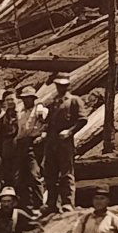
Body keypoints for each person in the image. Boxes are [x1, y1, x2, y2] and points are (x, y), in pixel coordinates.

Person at [43, 74, 87, 213]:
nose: (60, 88)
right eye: (58, 85)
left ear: (68, 85)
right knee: (50, 174)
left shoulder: (74, 101)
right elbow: (49, 122)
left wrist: (69, 132)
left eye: (63, 85)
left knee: (66, 173)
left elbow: (82, 120)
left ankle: (68, 202)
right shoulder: (54, 102)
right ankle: (52, 203)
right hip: (51, 142)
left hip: (65, 143)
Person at [13, 86, 48, 212]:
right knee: (20, 176)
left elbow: (47, 123)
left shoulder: (39, 109)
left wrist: (43, 135)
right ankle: (25, 204)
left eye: (28, 98)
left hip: (33, 143)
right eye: (24, 98)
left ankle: (39, 204)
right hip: (21, 144)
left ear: (33, 98)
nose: (26, 101)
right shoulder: (21, 112)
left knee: (34, 174)